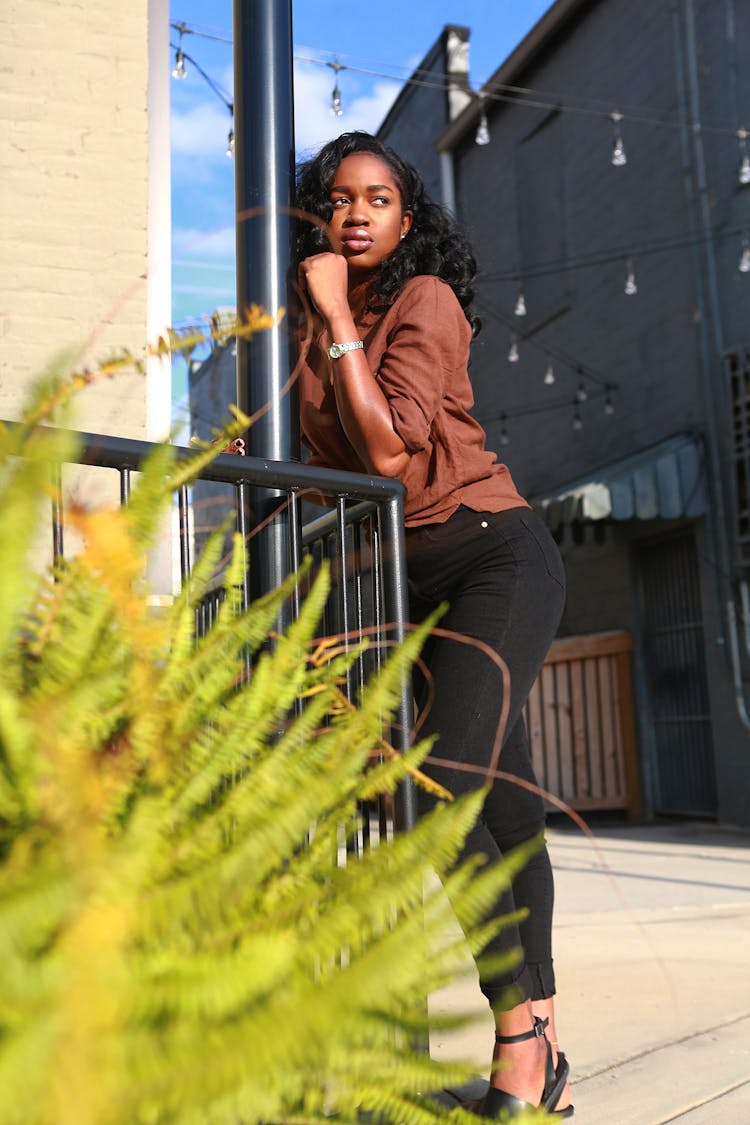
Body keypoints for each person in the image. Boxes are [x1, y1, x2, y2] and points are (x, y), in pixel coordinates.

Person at [293, 131, 572, 1119]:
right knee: (501, 805)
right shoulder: (317, 331)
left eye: (377, 198)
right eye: (339, 199)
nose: (356, 213)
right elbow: (316, 467)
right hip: (410, 584)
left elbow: (385, 462)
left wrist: (333, 315)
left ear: (407, 219)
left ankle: (519, 1037)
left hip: (494, 555)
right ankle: (536, 1057)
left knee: (443, 788)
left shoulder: (424, 303)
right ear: (321, 217)